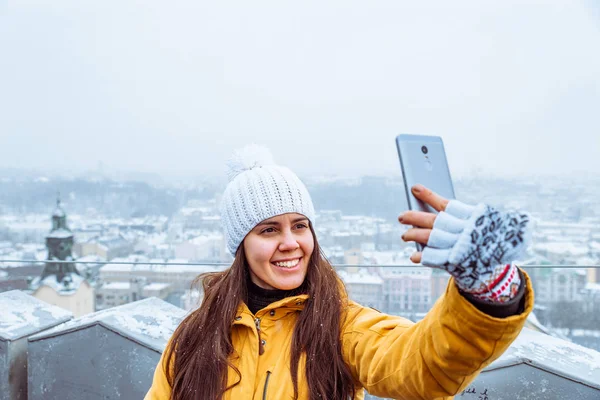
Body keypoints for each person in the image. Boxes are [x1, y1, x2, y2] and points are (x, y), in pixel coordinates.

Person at [145, 145, 534, 400]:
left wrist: (486, 288)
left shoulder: (340, 326)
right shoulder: (194, 337)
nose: (290, 242)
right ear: (239, 245)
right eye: (268, 229)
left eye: (300, 225)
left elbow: (420, 366)